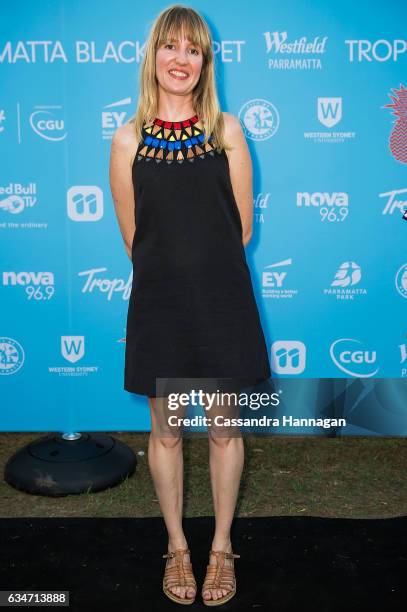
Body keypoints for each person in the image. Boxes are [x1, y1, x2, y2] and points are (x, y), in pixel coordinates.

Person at [109, 4, 271, 606]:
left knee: (225, 430)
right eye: (170, 47)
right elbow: (134, 237)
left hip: (221, 301)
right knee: (168, 432)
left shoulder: (227, 130)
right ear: (153, 56)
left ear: (206, 62)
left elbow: (243, 226)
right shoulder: (127, 138)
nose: (181, 59)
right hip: (161, 305)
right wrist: (172, 276)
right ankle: (177, 547)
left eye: (193, 49)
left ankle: (221, 547)